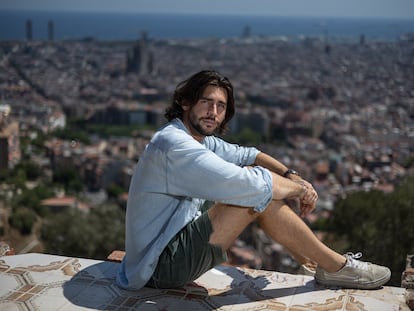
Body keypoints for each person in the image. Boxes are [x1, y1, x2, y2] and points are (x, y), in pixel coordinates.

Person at [116, 70, 390, 290]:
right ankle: (336, 267)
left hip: (170, 248)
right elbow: (254, 185)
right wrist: (299, 190)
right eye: (206, 102)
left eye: (220, 106)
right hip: (159, 268)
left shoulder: (199, 139)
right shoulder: (174, 144)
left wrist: (290, 175)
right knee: (255, 198)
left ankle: (321, 264)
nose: (213, 112)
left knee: (259, 192)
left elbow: (249, 154)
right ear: (185, 103)